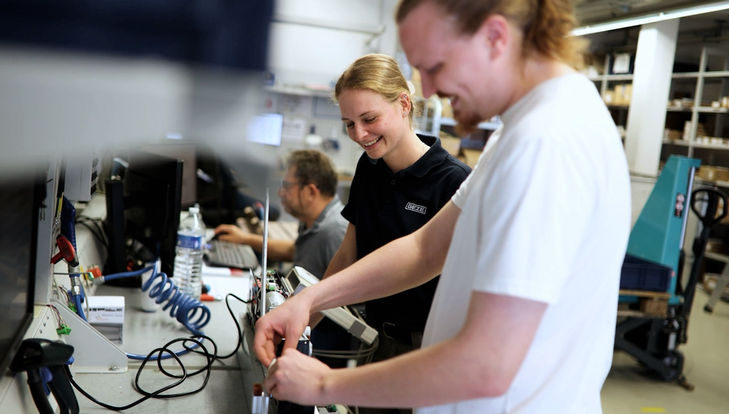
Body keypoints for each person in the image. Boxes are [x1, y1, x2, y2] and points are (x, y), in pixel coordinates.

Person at [255, 1, 631, 413]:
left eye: (435, 66)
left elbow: (488, 365)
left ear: (494, 37)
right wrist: (308, 301)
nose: (428, 91)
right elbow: (424, 250)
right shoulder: (519, 132)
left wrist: (323, 384)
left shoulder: (547, 143)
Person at [319, 53, 470, 371]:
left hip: (427, 348)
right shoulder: (370, 166)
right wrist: (303, 315)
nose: (359, 134)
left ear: (404, 104)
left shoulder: (454, 181)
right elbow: (349, 253)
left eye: (369, 119)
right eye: (349, 124)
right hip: (371, 338)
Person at [214, 149, 347, 279]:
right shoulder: (313, 220)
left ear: (311, 192)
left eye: (287, 186)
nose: (280, 193)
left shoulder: (335, 232)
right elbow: (295, 251)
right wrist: (245, 238)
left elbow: (343, 294)